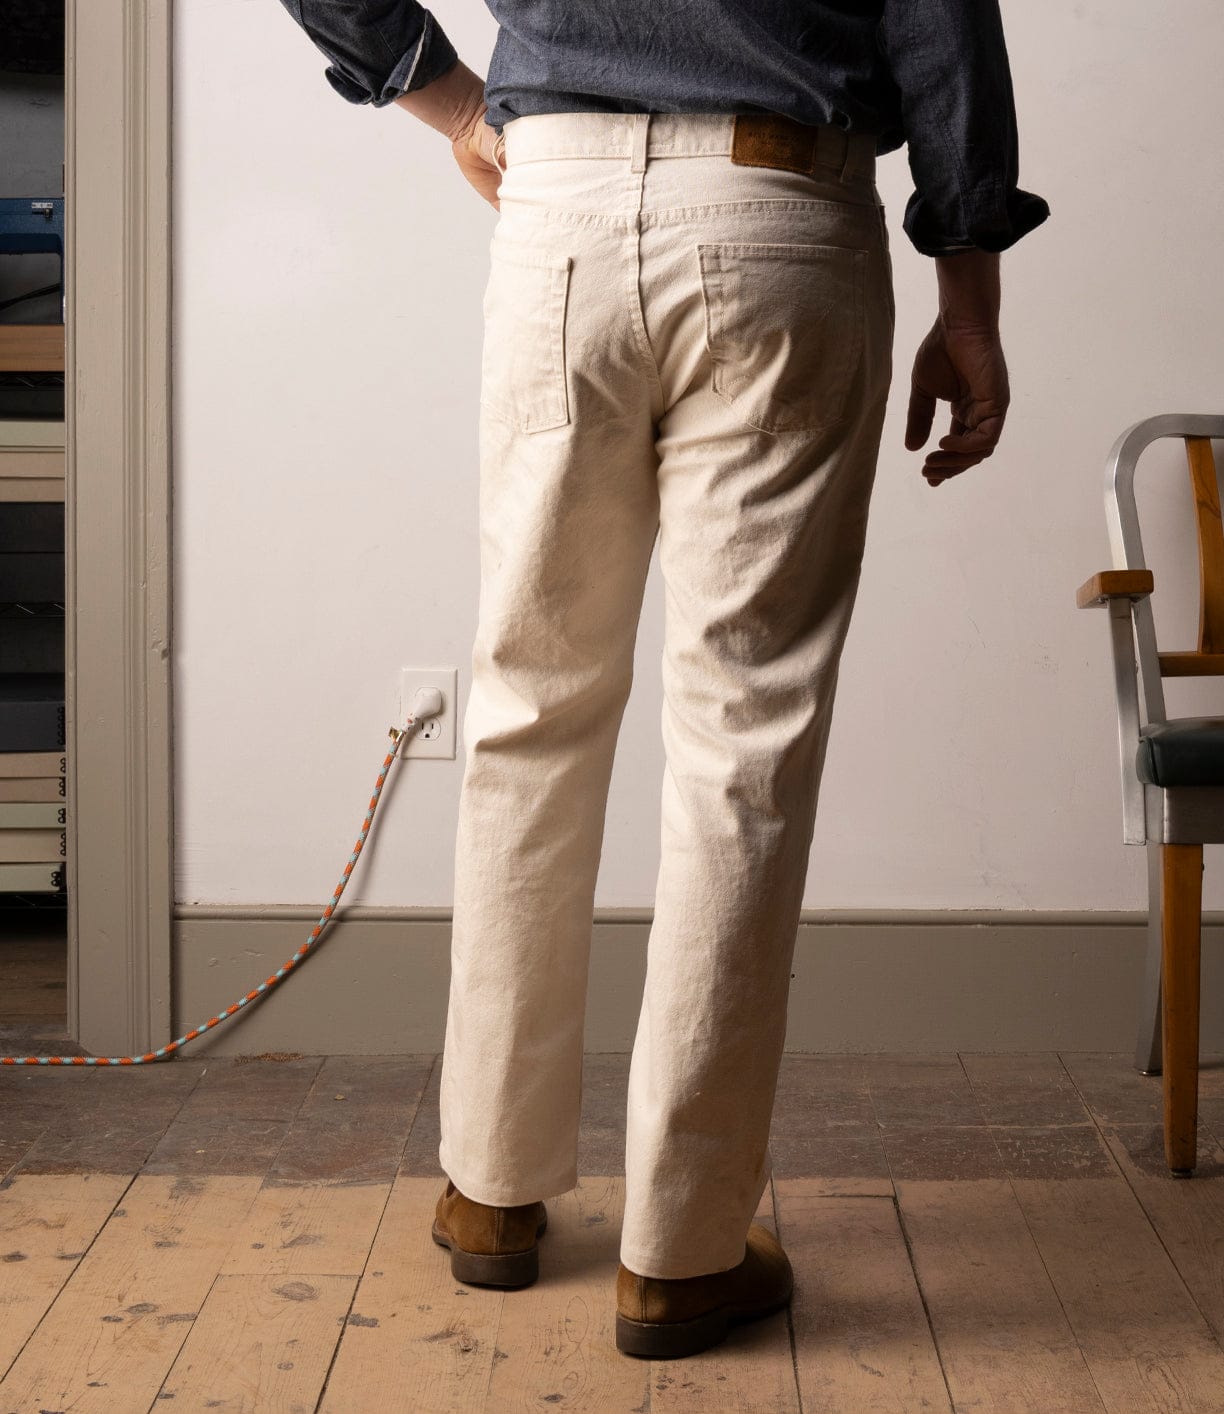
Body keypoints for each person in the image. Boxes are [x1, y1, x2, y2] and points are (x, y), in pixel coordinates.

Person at [276, 0, 1048, 1360]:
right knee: (743, 737)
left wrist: (454, 101)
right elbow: (941, 20)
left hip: (556, 204)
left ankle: (490, 1190)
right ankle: (682, 1252)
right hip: (782, 213)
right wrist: (969, 290)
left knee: (526, 710)